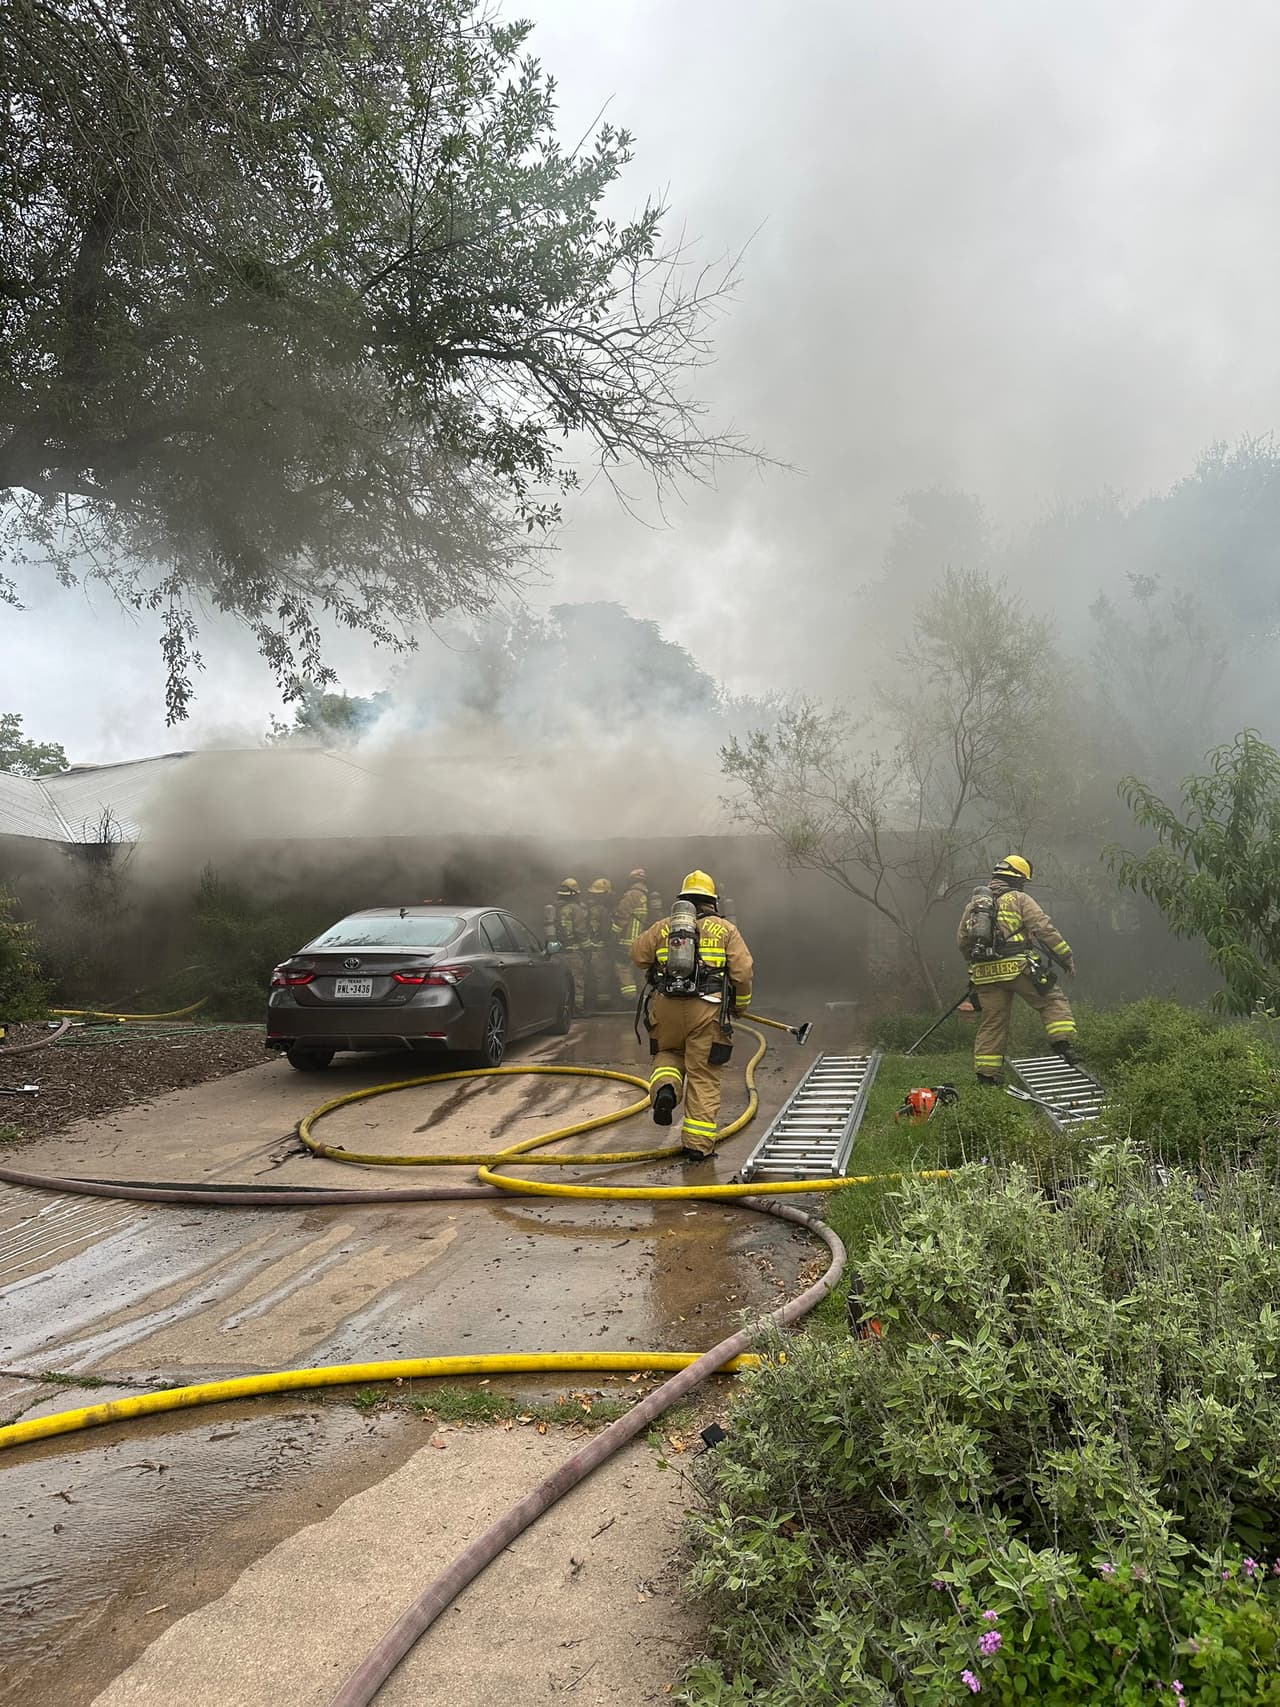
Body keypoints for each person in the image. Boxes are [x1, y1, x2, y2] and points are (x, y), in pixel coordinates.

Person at [631, 870, 753, 1160]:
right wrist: (741, 1005)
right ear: (712, 901)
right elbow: (743, 972)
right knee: (703, 1075)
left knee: (668, 1055)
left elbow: (638, 956)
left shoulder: (664, 927)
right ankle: (697, 1147)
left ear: (683, 899)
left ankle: (666, 1091)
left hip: (666, 1010)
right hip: (706, 1012)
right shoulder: (726, 930)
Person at [957, 855, 1077, 1085]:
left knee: (993, 1022)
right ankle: (1064, 1044)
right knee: (1051, 1000)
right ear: (1019, 879)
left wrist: (975, 970)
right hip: (1018, 968)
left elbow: (963, 941)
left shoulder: (974, 906)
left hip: (985, 974)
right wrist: (1067, 958)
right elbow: (1044, 929)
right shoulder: (1019, 898)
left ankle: (986, 1077)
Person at [612, 867, 650, 1002]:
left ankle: (630, 999)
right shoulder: (646, 896)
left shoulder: (632, 894)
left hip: (627, 941)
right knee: (640, 970)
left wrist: (612, 934)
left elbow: (621, 915)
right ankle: (644, 999)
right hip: (641, 941)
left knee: (623, 968)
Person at [554, 878, 588, 1014]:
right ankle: (577, 1009)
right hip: (573, 952)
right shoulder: (575, 908)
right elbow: (580, 931)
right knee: (576, 980)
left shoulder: (554, 908)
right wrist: (587, 948)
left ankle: (561, 1008)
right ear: (574, 894)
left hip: (556, 952)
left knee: (560, 981)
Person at [583, 877, 615, 1013]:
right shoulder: (601, 910)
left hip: (591, 948)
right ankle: (602, 1005)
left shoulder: (590, 909)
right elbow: (604, 931)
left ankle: (593, 1003)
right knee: (602, 976)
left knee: (593, 976)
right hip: (600, 949)